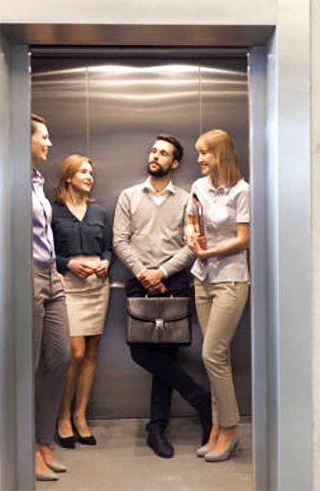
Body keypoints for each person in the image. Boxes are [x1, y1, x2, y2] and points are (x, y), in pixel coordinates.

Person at [113, 134, 213, 459]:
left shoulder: (187, 199)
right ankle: (200, 398)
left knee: (166, 359)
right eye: (154, 151)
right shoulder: (129, 196)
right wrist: (145, 272)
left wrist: (162, 273)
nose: (155, 156)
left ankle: (157, 429)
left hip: (175, 284)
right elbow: (120, 241)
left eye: (164, 153)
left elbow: (192, 244)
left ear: (175, 163)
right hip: (138, 282)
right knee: (141, 352)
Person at [185, 129, 250, 463]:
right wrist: (192, 240)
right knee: (215, 359)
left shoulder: (242, 191)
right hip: (203, 279)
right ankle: (216, 430)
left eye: (204, 154)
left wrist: (209, 253)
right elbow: (190, 222)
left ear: (220, 154)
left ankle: (230, 427)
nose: (199, 160)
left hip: (231, 279)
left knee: (212, 353)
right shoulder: (198, 187)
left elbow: (243, 239)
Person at [52, 154, 112, 448]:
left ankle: (80, 416)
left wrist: (105, 263)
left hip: (97, 287)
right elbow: (45, 251)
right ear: (68, 177)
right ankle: (62, 416)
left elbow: (109, 248)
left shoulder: (99, 211)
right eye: (83, 172)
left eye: (91, 172)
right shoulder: (53, 212)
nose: (90, 176)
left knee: (91, 352)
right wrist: (67, 264)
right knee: (74, 353)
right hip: (69, 288)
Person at [29, 114, 69, 481]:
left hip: (51, 275)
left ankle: (44, 442)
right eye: (44, 136)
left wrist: (56, 270)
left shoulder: (37, 183)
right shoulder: (13, 182)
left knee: (59, 357)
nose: (49, 142)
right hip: (26, 275)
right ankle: (27, 450)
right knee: (27, 366)